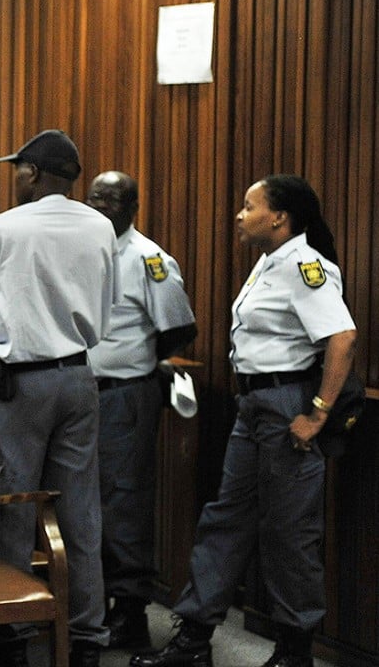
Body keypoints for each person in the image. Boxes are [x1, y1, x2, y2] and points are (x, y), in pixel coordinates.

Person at [132, 175, 356, 667]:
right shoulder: (269, 262)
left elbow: (341, 338)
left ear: (278, 217)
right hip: (253, 406)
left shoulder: (304, 266)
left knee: (289, 531)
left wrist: (317, 414)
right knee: (224, 520)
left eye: (249, 206)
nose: (239, 213)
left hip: (285, 405)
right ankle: (194, 639)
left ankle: (294, 650)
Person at [0, 129, 119, 667]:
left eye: (17, 170)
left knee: (13, 507)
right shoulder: (100, 225)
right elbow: (107, 300)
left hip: (21, 384)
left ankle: (14, 634)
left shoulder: (6, 226)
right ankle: (87, 639)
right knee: (80, 511)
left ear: (30, 173)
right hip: (78, 376)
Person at [85, 171, 197, 649]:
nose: (102, 205)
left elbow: (177, 328)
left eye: (113, 199)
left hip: (125, 395)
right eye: (95, 197)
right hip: (79, 393)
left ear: (134, 207)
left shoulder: (150, 259)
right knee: (84, 502)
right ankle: (93, 605)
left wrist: (136, 361)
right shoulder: (81, 247)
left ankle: (130, 612)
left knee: (124, 502)